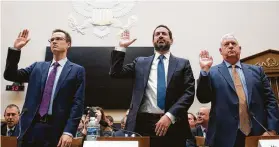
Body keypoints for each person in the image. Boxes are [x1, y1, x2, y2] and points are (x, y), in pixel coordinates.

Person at [109, 25, 196, 146]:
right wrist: (122, 47)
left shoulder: (182, 64)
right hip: (142, 125)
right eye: (157, 34)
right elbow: (115, 73)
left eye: (164, 34)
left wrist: (169, 116)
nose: (160, 35)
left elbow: (189, 93)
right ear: (153, 40)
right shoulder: (140, 62)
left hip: (173, 124)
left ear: (171, 40)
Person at [4, 29, 85, 147]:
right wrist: (16, 50)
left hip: (57, 130)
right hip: (31, 127)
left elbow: (77, 103)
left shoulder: (77, 70)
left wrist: (69, 131)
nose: (54, 42)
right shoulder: (37, 67)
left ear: (68, 44)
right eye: (51, 40)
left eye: (58, 39)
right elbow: (10, 75)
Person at [197, 33, 279, 147]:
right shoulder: (212, 72)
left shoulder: (257, 71)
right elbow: (203, 98)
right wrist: (204, 71)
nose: (230, 46)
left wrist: (272, 129)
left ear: (239, 49)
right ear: (221, 51)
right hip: (223, 137)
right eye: (226, 44)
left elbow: (271, 101)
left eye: (233, 43)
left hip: (257, 133)